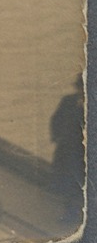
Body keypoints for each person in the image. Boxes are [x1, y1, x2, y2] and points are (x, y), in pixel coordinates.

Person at [51, 75, 84, 223]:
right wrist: (56, 136)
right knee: (67, 182)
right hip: (66, 150)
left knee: (80, 185)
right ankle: (69, 213)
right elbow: (55, 119)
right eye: (80, 87)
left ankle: (78, 214)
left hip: (82, 155)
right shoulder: (68, 101)